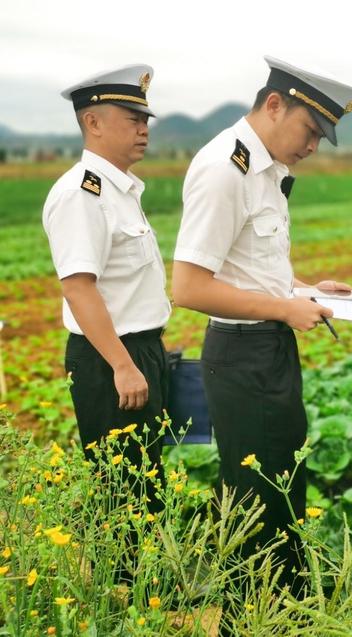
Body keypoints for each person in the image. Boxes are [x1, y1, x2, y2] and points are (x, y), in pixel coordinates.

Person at [171, 55, 352, 610]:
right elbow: (188, 288)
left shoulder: (267, 170)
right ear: (274, 104)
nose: (313, 146)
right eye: (310, 130)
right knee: (257, 501)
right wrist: (283, 310)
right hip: (241, 354)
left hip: (266, 350)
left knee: (282, 489)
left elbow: (251, 268)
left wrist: (305, 290)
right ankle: (248, 616)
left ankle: (284, 610)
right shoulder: (222, 169)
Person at [42, 65, 171, 579]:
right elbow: (78, 287)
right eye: (132, 117)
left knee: (147, 477)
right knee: (121, 485)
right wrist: (121, 364)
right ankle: (124, 595)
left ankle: (149, 585)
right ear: (92, 121)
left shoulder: (119, 190)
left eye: (146, 118)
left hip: (138, 351)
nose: (144, 128)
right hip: (109, 357)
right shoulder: (82, 193)